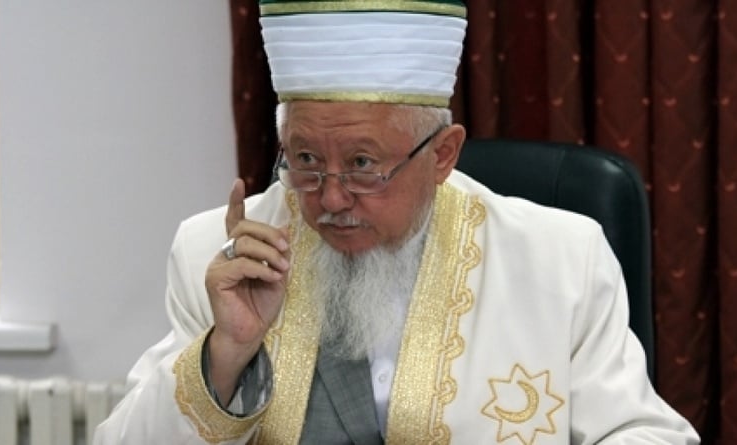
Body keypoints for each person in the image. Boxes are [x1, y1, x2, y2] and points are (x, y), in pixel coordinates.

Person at [95, 1, 700, 443]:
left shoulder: (562, 256)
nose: (330, 197)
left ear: (442, 155)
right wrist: (226, 350)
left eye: (363, 165)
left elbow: (645, 434)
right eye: (305, 161)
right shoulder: (218, 251)